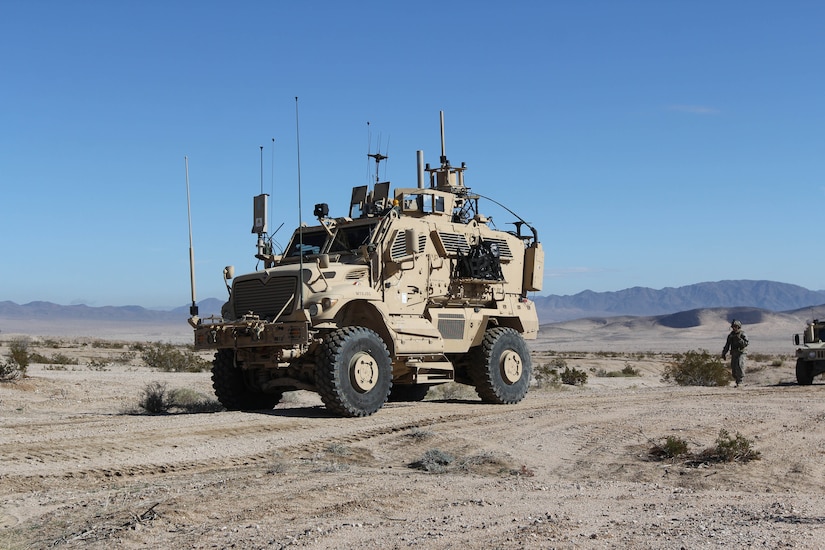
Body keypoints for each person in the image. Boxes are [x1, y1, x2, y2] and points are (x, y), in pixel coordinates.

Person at [722, 319, 748, 387]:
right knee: (733, 367)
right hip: (734, 353)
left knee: (740, 365)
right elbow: (727, 345)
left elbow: (746, 343)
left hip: (741, 352)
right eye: (733, 326)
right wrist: (724, 353)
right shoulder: (731, 335)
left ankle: (740, 381)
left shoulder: (742, 334)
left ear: (738, 327)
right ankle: (737, 381)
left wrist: (739, 339)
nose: (734, 328)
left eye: (735, 326)